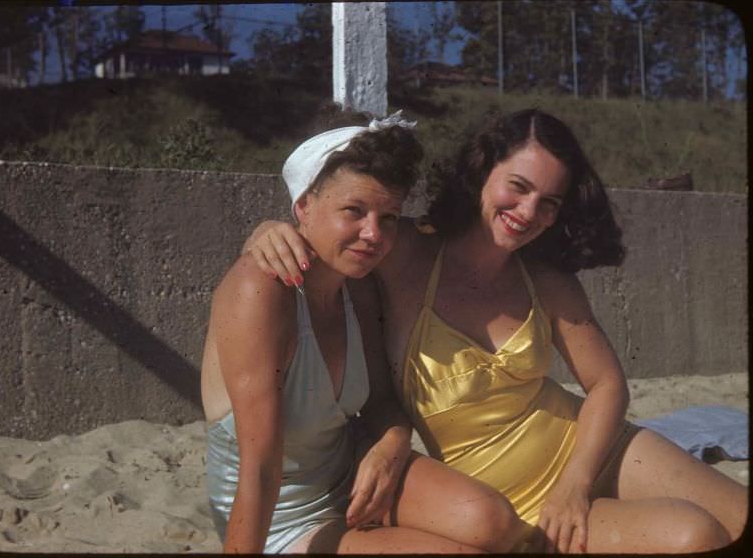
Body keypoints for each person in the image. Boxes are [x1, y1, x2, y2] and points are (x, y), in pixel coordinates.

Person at [244, 108, 747, 553]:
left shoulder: (546, 279)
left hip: (595, 452)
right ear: (481, 172)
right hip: (508, 502)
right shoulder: (404, 253)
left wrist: (575, 483)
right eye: (519, 187)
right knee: (694, 535)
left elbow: (607, 384)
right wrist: (266, 230)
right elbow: (333, 231)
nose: (529, 213)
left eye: (550, 202)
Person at [201, 112, 522, 554]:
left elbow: (380, 403)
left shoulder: (358, 284)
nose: (374, 234)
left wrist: (391, 444)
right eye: (353, 210)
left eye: (389, 217)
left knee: (495, 523)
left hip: (349, 473)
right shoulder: (262, 289)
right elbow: (259, 469)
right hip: (281, 515)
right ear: (303, 206)